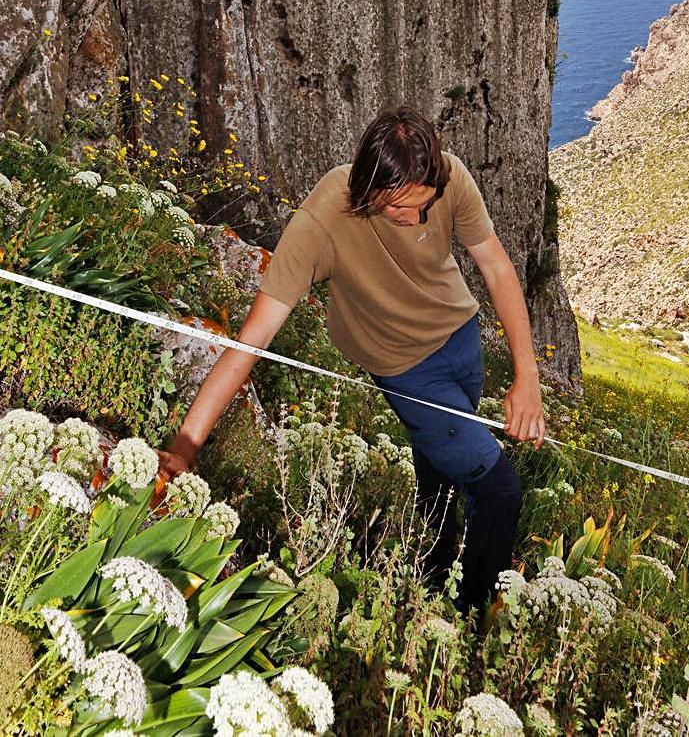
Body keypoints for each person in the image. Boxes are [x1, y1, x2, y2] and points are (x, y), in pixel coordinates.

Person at [158, 107, 547, 613]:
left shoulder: (449, 178)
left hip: (462, 340)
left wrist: (528, 376)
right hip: (408, 369)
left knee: (440, 468)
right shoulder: (320, 223)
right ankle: (473, 618)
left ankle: (431, 578)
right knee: (499, 491)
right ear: (367, 191)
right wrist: (185, 449)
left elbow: (495, 267)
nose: (415, 219)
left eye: (423, 206)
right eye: (397, 210)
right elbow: (249, 343)